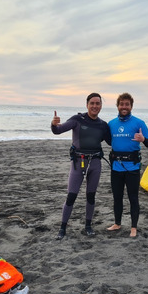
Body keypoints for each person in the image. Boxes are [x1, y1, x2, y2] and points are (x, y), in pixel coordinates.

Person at [51, 93, 111, 240]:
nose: (95, 106)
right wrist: (54, 124)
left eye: (98, 103)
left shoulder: (103, 125)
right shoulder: (77, 119)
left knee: (91, 196)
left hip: (95, 162)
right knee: (72, 195)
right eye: (92, 103)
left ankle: (88, 226)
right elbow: (58, 130)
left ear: (101, 106)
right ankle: (63, 228)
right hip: (79, 162)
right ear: (87, 105)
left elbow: (111, 142)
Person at [107, 93, 148, 238]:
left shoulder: (139, 123)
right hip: (116, 167)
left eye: (127, 104)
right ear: (118, 106)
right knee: (117, 197)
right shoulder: (111, 124)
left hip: (132, 168)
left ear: (131, 106)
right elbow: (108, 141)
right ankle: (117, 223)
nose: (124, 107)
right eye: (122, 104)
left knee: (133, 198)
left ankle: (133, 227)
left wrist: (143, 139)